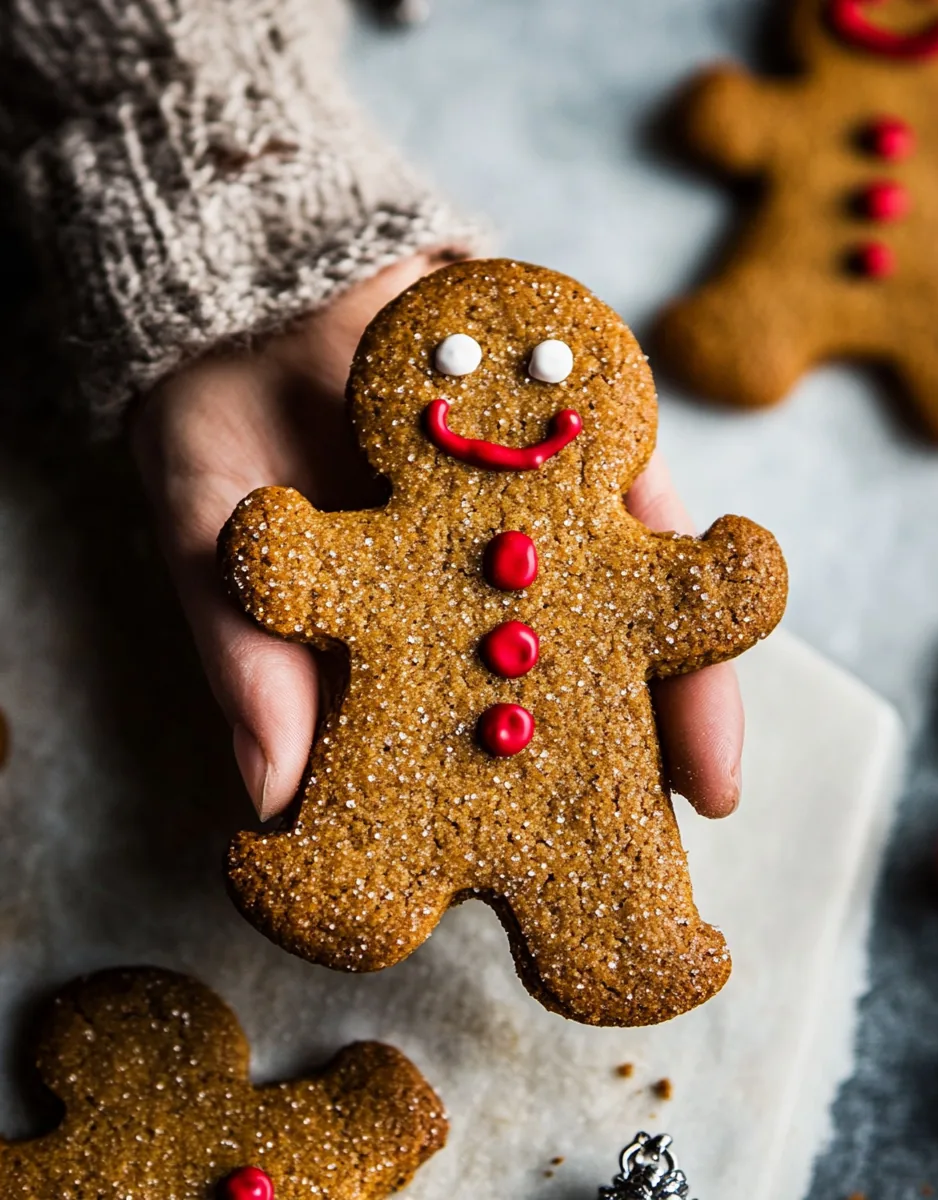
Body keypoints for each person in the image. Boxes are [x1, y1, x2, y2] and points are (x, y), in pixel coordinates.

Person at [0, 0, 744, 822]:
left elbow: (683, 591)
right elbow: (312, 570)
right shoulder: (390, 540)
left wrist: (722, 581)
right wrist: (228, 150)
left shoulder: (597, 548)